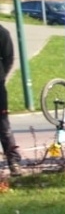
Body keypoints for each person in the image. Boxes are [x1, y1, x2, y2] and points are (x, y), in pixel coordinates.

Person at [0, 23, 21, 175]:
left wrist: (2, 76)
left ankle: (13, 161)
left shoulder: (2, 33)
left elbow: (9, 58)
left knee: (3, 125)